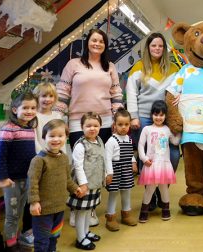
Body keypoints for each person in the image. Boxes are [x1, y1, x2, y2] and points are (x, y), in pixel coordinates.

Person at [56, 28, 122, 227]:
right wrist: (59, 119)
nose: (97, 44)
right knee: (79, 166)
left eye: (101, 41)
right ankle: (77, 208)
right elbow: (62, 92)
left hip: (105, 121)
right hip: (77, 121)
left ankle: (90, 207)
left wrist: (117, 119)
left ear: (105, 45)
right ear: (88, 42)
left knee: (97, 166)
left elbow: (116, 94)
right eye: (94, 40)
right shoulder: (73, 64)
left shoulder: (109, 66)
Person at [126, 32, 180, 211]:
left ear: (164, 49)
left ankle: (160, 190)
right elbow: (132, 92)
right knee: (147, 156)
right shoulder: (139, 68)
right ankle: (150, 196)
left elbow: (181, 88)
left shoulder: (173, 69)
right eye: (153, 45)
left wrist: (180, 95)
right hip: (142, 117)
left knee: (172, 154)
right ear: (148, 48)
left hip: (166, 117)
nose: (157, 48)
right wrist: (133, 116)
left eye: (160, 46)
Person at [28, 119, 83, 251]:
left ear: (66, 137)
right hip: (43, 210)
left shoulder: (64, 158)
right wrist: (34, 202)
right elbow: (32, 183)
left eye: (60, 136)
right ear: (44, 137)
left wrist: (75, 188)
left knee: (54, 237)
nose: (56, 139)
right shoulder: (39, 160)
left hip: (59, 207)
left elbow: (67, 179)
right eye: (51, 136)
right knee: (42, 241)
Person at [0, 92, 37, 250]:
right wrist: (3, 177)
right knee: (11, 215)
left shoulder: (30, 129)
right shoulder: (8, 129)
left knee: (19, 212)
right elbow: (0, 155)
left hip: (26, 178)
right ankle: (10, 245)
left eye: (33, 108)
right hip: (11, 180)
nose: (30, 111)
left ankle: (15, 238)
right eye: (25, 107)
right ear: (14, 110)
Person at [66, 112, 105, 250]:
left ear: (100, 127)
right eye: (88, 126)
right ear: (82, 127)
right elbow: (78, 166)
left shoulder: (99, 141)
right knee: (81, 211)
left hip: (95, 183)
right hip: (84, 185)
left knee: (89, 209)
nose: (92, 128)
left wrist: (105, 174)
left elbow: (102, 159)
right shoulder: (80, 145)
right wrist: (83, 184)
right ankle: (80, 237)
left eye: (96, 125)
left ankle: (86, 231)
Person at [137, 100, 180, 223]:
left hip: (164, 164)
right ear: (152, 115)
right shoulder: (146, 129)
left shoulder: (167, 129)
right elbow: (140, 145)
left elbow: (175, 142)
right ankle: (144, 210)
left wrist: (181, 132)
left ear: (165, 116)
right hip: (151, 164)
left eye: (161, 115)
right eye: (156, 114)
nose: (158, 117)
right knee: (149, 189)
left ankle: (166, 209)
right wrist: (144, 158)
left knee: (164, 188)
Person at [104, 108, 138, 231]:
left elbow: (130, 153)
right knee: (113, 193)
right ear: (114, 125)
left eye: (126, 124)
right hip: (115, 170)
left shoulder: (129, 139)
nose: (123, 127)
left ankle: (126, 214)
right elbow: (107, 159)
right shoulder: (111, 141)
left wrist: (133, 162)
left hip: (126, 170)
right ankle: (111, 217)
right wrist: (109, 173)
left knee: (126, 192)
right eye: (120, 124)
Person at [33, 82, 65, 154]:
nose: (47, 99)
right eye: (44, 96)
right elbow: (34, 140)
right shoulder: (34, 116)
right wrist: (42, 155)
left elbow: (62, 137)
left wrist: (62, 154)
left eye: (51, 96)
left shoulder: (57, 116)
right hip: (40, 157)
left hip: (56, 156)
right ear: (37, 97)